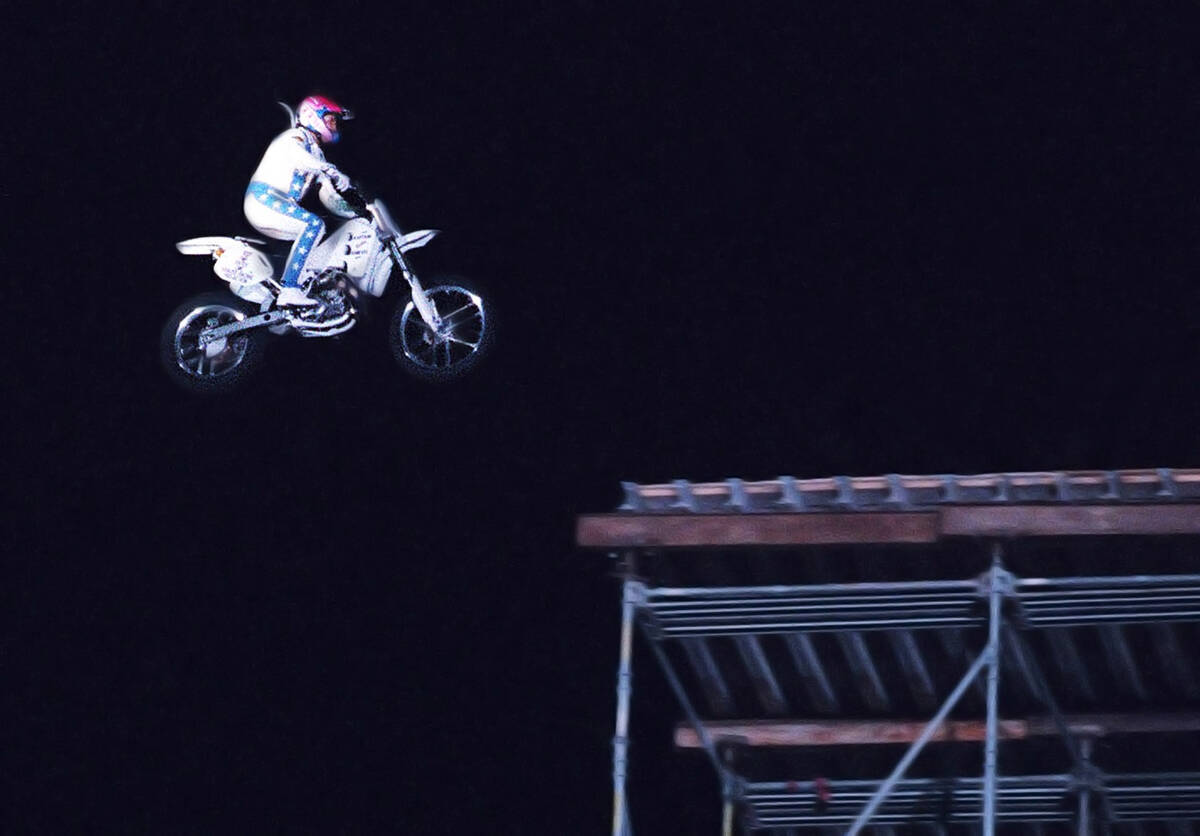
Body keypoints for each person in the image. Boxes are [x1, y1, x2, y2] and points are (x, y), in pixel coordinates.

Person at [243, 94, 356, 307]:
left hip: (279, 205)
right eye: (331, 119)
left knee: (322, 233)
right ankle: (290, 289)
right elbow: (297, 155)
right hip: (264, 198)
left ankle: (301, 287)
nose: (334, 126)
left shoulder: (317, 154)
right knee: (313, 224)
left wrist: (357, 213)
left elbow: (328, 196)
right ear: (313, 116)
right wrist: (329, 169)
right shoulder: (296, 137)